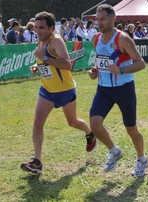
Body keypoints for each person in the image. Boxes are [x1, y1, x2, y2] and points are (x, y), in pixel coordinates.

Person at [21, 11, 96, 174]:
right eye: (36, 28)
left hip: (65, 89)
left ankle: (90, 133)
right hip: (47, 89)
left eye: (41, 28)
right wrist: (37, 65)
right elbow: (43, 59)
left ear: (50, 28)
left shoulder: (56, 41)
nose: (38, 31)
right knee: (37, 123)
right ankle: (37, 162)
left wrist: (46, 59)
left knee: (73, 122)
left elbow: (67, 65)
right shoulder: (40, 41)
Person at [87, 4, 148, 176]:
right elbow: (100, 61)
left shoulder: (123, 39)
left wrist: (121, 70)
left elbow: (141, 63)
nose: (99, 22)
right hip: (103, 89)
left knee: (131, 129)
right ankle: (114, 151)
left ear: (113, 19)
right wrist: (94, 71)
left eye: (103, 19)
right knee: (95, 124)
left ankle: (141, 159)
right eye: (97, 19)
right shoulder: (96, 39)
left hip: (124, 89)